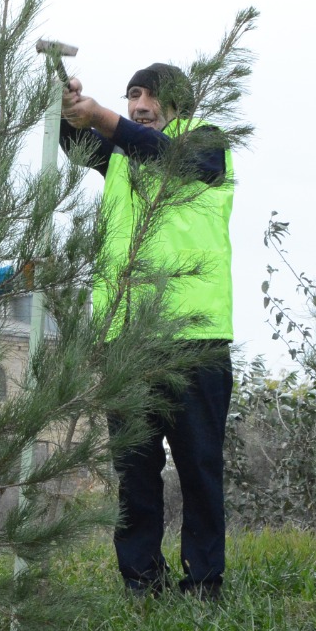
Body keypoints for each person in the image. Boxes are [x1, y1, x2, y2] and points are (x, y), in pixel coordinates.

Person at [59, 64, 235, 599]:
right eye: (132, 95)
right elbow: (75, 144)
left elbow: (160, 153)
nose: (139, 105)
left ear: (178, 102)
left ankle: (204, 585)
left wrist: (105, 118)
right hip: (126, 339)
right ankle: (141, 583)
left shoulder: (206, 145)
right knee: (134, 469)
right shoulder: (119, 154)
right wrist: (62, 106)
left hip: (194, 337)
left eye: (149, 97)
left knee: (199, 466)